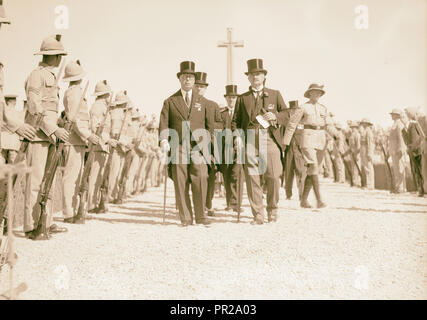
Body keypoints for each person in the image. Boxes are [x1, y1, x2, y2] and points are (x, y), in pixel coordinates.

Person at [23, 34, 69, 240]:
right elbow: (35, 108)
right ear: (56, 57)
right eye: (59, 55)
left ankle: (46, 222)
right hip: (38, 136)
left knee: (47, 181)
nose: (60, 59)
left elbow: (50, 108)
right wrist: (53, 129)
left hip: (50, 136)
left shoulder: (50, 76)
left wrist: (58, 127)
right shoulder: (37, 75)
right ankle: (31, 226)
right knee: (35, 182)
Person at [232, 59, 288, 224]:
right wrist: (237, 136)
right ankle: (258, 214)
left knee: (273, 176)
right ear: (248, 77)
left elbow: (287, 114)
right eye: (252, 74)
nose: (255, 76)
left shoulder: (275, 94)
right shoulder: (242, 98)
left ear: (264, 76)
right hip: (249, 139)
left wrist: (276, 116)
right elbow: (235, 121)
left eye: (258, 74)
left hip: (269, 138)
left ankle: (272, 209)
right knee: (252, 178)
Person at [159, 61, 213, 226]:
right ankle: (186, 218)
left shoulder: (203, 102)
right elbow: (164, 123)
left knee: (201, 177)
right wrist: (163, 140)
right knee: (180, 180)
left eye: (190, 77)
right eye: (184, 77)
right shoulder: (170, 101)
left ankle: (201, 215)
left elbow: (209, 126)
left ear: (194, 79)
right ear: (180, 79)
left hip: (198, 146)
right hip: (178, 146)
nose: (187, 80)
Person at [283, 83, 338, 209]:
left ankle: (303, 200)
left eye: (319, 92)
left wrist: (337, 135)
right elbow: (292, 124)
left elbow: (329, 124)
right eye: (315, 92)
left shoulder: (323, 109)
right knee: (313, 166)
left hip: (320, 139)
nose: (317, 94)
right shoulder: (303, 107)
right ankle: (319, 200)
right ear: (310, 93)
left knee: (313, 170)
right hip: (307, 138)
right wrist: (285, 142)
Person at [61, 60, 99, 224]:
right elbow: (75, 118)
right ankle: (68, 212)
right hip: (73, 140)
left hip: (78, 140)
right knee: (70, 177)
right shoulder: (74, 93)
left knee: (77, 177)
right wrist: (88, 135)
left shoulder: (76, 91)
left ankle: (75, 210)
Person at [193, 72, 223, 216]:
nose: (199, 89)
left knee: (210, 176)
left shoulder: (213, 105)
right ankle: (193, 205)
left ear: (205, 89)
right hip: (191, 147)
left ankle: (207, 203)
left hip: (209, 148)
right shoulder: (186, 105)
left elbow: (219, 126)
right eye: (197, 86)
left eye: (202, 87)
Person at [87, 80, 116, 213]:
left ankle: (96, 203)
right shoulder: (98, 107)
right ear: (104, 94)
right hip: (98, 145)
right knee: (94, 177)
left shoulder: (103, 107)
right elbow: (95, 127)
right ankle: (90, 205)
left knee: (100, 177)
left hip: (103, 146)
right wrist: (107, 140)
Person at [219, 85, 244, 212]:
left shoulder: (241, 113)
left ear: (237, 99)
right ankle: (229, 202)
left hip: (239, 148)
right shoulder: (221, 114)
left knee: (237, 175)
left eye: (234, 98)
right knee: (227, 175)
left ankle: (237, 203)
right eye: (229, 97)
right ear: (226, 98)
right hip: (225, 149)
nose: (231, 100)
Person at [283, 100, 305, 200]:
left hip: (299, 150)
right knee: (288, 173)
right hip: (288, 150)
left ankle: (302, 194)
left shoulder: (302, 122)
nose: (294, 112)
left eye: (296, 110)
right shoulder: (286, 122)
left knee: (301, 172)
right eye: (292, 110)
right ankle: (288, 194)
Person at [404, 107, 424, 196]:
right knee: (415, 170)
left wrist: (413, 147)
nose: (406, 115)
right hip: (412, 151)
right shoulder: (409, 125)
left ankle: (422, 190)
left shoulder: (416, 124)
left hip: (417, 151)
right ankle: (419, 189)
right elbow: (408, 138)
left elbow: (420, 137)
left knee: (419, 170)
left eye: (407, 113)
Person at [388, 109, 406, 193]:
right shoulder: (395, 124)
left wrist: (401, 148)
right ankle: (398, 187)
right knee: (396, 168)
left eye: (393, 114)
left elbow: (401, 137)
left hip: (398, 149)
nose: (391, 116)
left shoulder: (399, 124)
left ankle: (401, 188)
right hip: (393, 149)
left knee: (400, 168)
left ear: (397, 115)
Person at [0, 95, 21, 164]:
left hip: (4, 140)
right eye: (14, 101)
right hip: (12, 141)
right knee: (12, 161)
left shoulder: (3, 112)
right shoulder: (16, 113)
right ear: (9, 102)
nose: (15, 102)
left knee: (2, 160)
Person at [359, 118, 375, 190]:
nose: (362, 124)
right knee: (366, 167)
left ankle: (370, 185)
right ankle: (367, 184)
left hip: (366, 150)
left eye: (363, 123)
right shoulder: (365, 131)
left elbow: (370, 143)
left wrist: (369, 153)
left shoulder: (368, 132)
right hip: (363, 149)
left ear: (367, 123)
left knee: (368, 168)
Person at [348, 121, 362, 187]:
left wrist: (356, 154)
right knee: (353, 168)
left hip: (356, 154)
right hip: (352, 153)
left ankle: (358, 183)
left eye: (354, 127)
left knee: (357, 168)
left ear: (356, 128)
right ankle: (354, 182)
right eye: (352, 127)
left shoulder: (357, 135)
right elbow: (350, 146)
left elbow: (358, 146)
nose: (352, 128)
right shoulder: (352, 135)